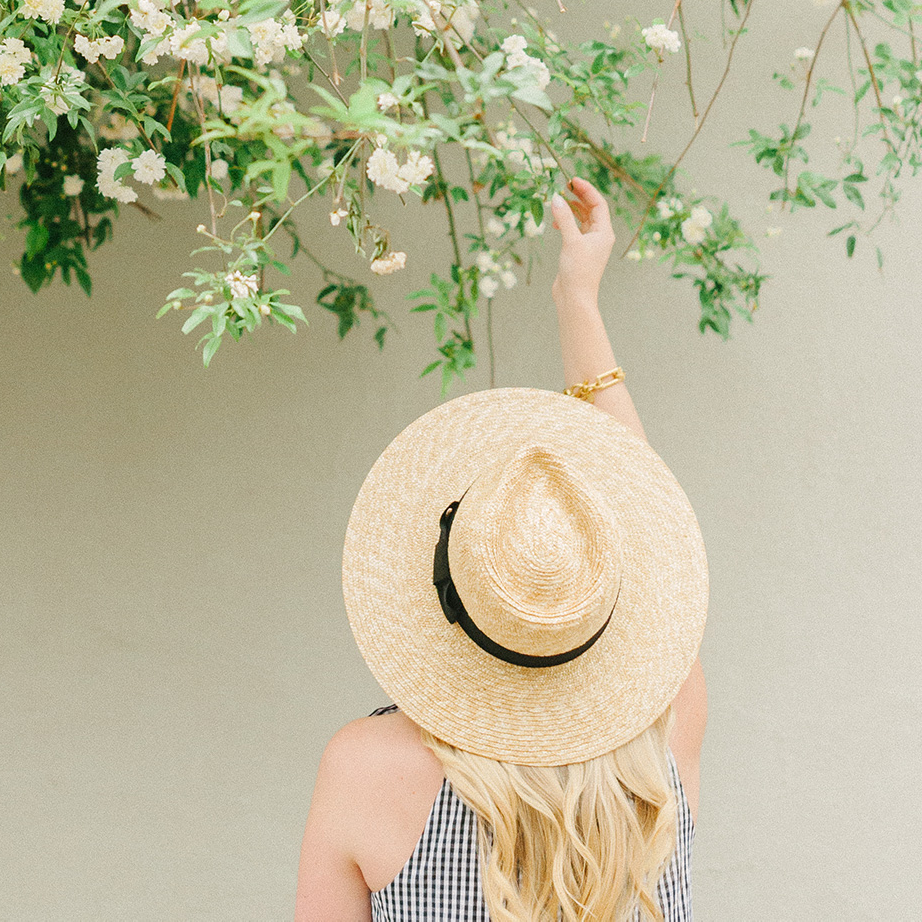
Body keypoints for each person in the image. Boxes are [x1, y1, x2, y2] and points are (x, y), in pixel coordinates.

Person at [295, 176, 708, 922]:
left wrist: (571, 298)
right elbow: (650, 522)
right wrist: (576, 302)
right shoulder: (665, 736)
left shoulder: (364, 767)